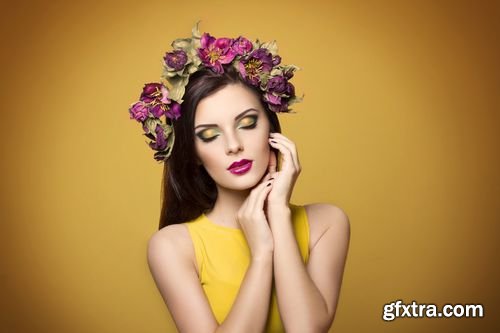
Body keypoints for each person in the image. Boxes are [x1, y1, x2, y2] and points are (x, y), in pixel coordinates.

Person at [129, 23, 350, 333]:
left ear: (270, 128)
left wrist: (278, 215)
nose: (234, 145)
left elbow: (306, 329)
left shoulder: (327, 223)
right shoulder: (173, 247)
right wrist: (261, 254)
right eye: (209, 135)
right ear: (192, 153)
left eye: (247, 123)